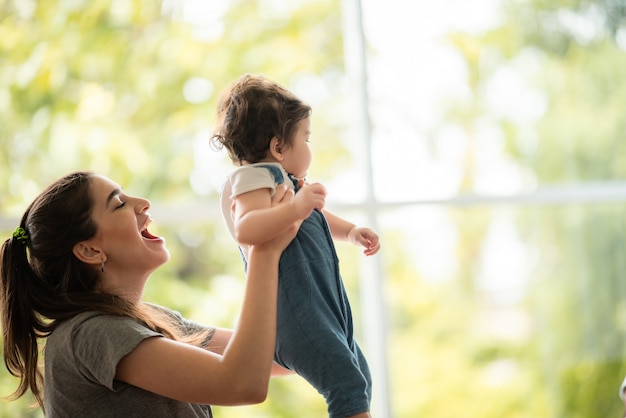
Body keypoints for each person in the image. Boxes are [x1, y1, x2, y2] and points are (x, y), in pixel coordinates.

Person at [0, 171, 300, 417]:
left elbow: (284, 355)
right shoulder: (87, 334)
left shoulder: (153, 322)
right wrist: (263, 250)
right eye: (119, 204)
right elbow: (243, 383)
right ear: (90, 250)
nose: (143, 202)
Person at [210, 74, 381, 418]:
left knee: (358, 378)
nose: (309, 146)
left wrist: (350, 232)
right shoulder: (252, 178)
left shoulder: (287, 184)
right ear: (278, 147)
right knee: (346, 384)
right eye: (306, 137)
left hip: (326, 308)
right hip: (294, 314)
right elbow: (247, 228)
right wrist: (295, 207)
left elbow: (318, 217)